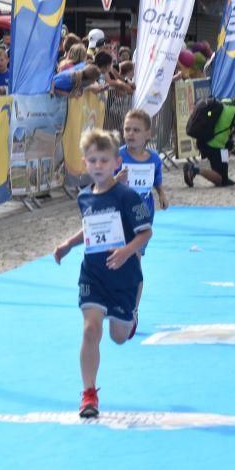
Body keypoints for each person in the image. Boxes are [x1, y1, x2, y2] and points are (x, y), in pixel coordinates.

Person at [54, 130, 153, 419]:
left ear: (116, 163)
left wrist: (126, 251)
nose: (98, 165)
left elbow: (146, 232)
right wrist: (68, 244)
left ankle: (130, 316)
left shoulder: (126, 196)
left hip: (122, 276)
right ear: (85, 162)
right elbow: (90, 227)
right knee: (90, 330)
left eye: (104, 160)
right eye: (93, 160)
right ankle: (89, 394)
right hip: (93, 275)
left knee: (118, 337)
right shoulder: (84, 197)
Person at [116, 109, 167, 317]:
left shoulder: (154, 158)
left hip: (142, 216)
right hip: (119, 217)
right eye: (127, 129)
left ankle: (133, 308)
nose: (130, 134)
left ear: (148, 134)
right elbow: (103, 184)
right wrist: (116, 180)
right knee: (119, 261)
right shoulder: (118, 156)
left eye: (136, 130)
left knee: (135, 260)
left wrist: (162, 194)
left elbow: (157, 178)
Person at [183, 87, 235, 188]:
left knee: (229, 146)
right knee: (220, 181)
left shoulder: (226, 101)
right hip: (214, 145)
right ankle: (193, 170)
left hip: (206, 139)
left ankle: (224, 176)